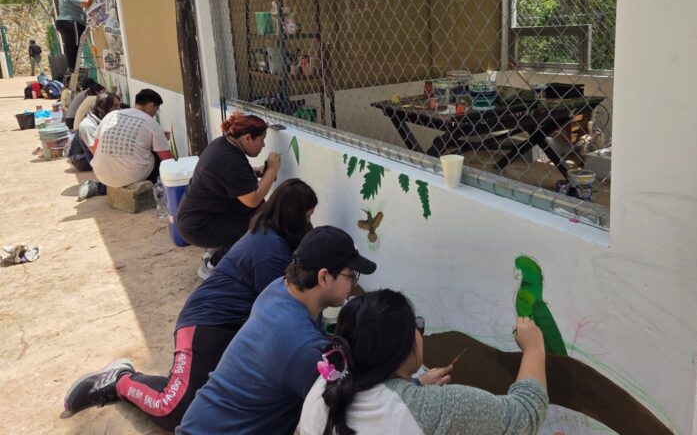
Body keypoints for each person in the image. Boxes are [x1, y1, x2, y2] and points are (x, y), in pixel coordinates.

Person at [63, 179, 319, 430]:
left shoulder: (269, 235)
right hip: (206, 325)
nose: (309, 224)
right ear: (293, 216)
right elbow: (280, 316)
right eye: (307, 217)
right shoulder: (270, 249)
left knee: (209, 401)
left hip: (230, 326)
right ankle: (119, 380)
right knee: (173, 409)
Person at [177, 226, 377, 435]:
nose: (353, 284)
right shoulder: (303, 347)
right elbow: (354, 413)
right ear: (324, 278)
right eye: (350, 275)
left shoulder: (280, 289)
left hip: (202, 421)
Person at [297, 290, 549, 435]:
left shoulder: (327, 381)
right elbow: (525, 415)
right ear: (402, 349)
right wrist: (534, 349)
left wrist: (415, 384)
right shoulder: (436, 408)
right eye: (417, 326)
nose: (421, 331)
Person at [177, 113, 281, 277]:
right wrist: (272, 170)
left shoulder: (225, 145)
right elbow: (253, 200)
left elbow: (233, 176)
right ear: (247, 138)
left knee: (260, 211)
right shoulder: (228, 159)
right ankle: (213, 265)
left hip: (201, 216)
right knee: (260, 221)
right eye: (261, 139)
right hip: (199, 226)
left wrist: (260, 171)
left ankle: (217, 247)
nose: (263, 145)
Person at [90, 88, 174, 188]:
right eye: (156, 110)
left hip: (101, 174)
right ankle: (158, 189)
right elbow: (166, 157)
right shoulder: (151, 123)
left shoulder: (111, 115)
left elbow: (95, 147)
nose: (155, 113)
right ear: (151, 105)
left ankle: (100, 188)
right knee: (158, 155)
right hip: (132, 176)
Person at [76, 92, 121, 201]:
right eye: (115, 106)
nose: (118, 110)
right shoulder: (87, 126)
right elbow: (98, 154)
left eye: (119, 106)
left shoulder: (105, 117)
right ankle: (98, 187)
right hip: (90, 159)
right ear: (104, 107)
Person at [56, 0, 95, 72]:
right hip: (71, 22)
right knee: (74, 46)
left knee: (71, 46)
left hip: (64, 22)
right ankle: (74, 68)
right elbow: (86, 4)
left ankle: (72, 67)